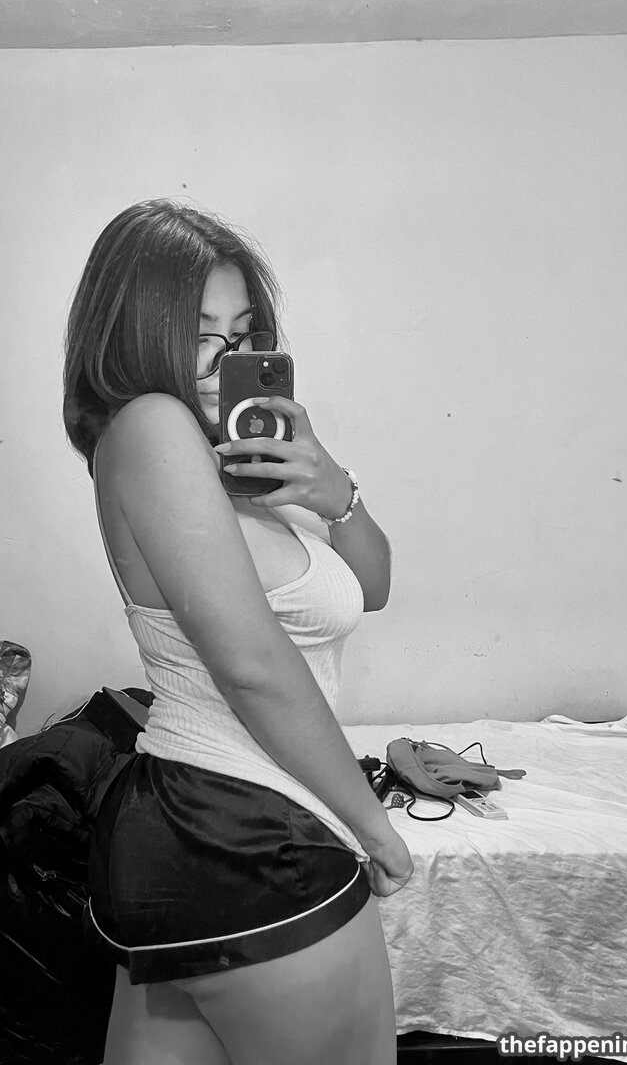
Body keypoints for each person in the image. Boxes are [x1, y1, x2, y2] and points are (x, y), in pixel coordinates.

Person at [62, 198, 414, 1065]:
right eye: (199, 334)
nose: (227, 360)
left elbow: (370, 590)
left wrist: (336, 492)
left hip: (188, 832)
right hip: (247, 830)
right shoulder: (152, 424)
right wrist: (370, 825)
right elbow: (252, 665)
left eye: (243, 331)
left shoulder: (227, 467)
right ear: (136, 332)